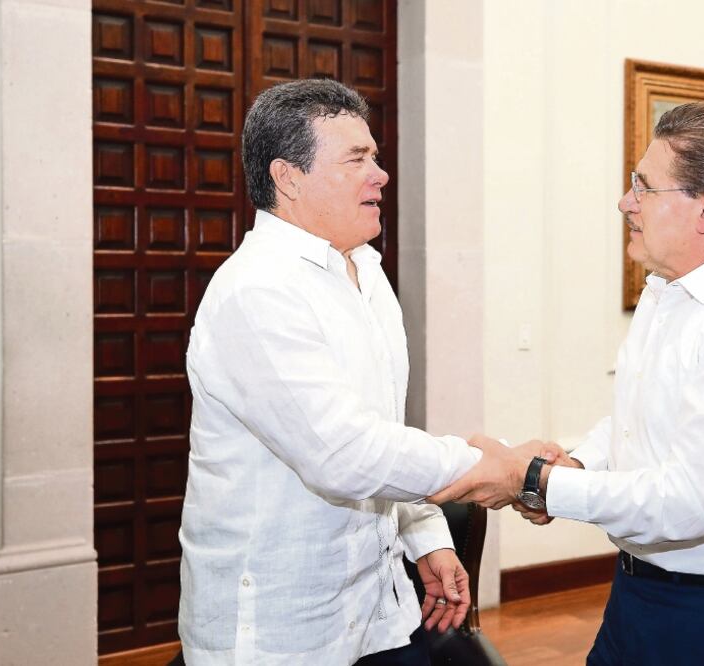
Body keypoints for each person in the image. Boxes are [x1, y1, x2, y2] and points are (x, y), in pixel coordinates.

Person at [432, 102, 704, 665]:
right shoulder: (666, 291)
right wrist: (578, 466)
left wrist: (536, 481)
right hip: (639, 593)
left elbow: (688, 504)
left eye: (644, 187)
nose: (625, 202)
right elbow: (640, 424)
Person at [180, 78, 499, 666]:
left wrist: (424, 535)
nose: (380, 174)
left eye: (374, 157)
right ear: (288, 177)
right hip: (284, 628)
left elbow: (380, 431)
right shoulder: (255, 291)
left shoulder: (366, 272)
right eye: (357, 159)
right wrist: (491, 467)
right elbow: (343, 454)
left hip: (379, 609)